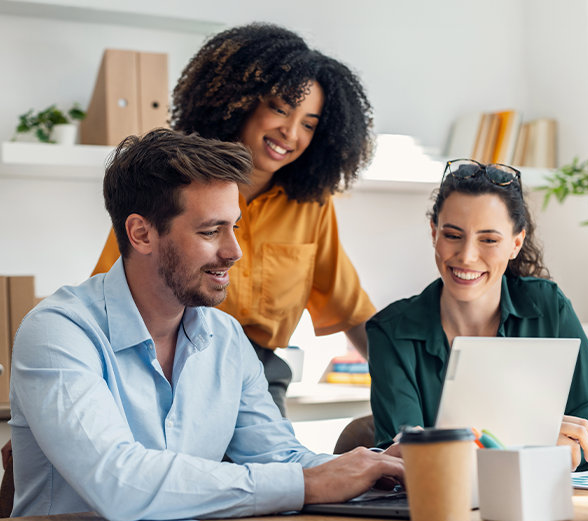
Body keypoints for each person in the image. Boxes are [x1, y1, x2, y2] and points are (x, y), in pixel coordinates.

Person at [8, 129, 403, 520]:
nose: (234, 251)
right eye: (210, 231)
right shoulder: (57, 333)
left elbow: (279, 456)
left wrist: (374, 468)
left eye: (235, 227)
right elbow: (118, 481)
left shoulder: (226, 338)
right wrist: (306, 484)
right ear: (141, 234)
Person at [91, 23, 377, 417]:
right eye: (279, 108)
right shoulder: (171, 183)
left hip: (258, 374)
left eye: (309, 123)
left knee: (280, 474)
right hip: (163, 365)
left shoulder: (313, 205)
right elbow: (108, 297)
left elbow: (351, 310)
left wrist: (417, 390)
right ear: (240, 102)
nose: (290, 132)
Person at [367, 159, 588, 470]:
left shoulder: (548, 308)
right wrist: (536, 442)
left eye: (489, 240)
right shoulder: (390, 332)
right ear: (434, 232)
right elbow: (401, 461)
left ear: (516, 243)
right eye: (452, 235)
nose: (466, 256)